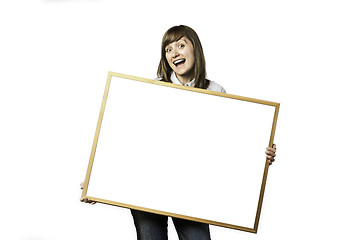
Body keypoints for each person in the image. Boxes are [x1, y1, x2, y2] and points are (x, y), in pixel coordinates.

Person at [81, 25, 277, 240]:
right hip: (146, 186)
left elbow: (227, 147)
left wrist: (260, 157)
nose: (174, 53)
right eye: (168, 49)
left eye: (180, 45)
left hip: (191, 191)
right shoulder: (148, 90)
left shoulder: (216, 91)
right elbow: (125, 140)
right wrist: (96, 182)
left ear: (196, 50)